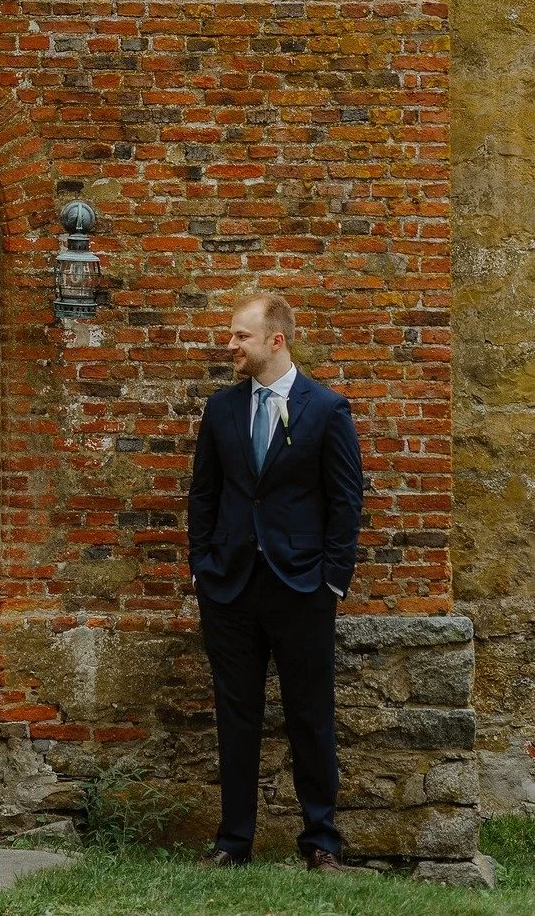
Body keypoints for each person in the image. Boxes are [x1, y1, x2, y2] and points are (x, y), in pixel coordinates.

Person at [187, 292, 364, 871]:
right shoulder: (221, 410)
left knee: (309, 715)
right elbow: (204, 496)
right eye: (232, 335)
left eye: (241, 336)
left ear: (276, 340)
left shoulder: (327, 409)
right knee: (235, 715)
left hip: (302, 588)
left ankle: (321, 841)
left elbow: (346, 502)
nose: (230, 345)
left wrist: (332, 581)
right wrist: (203, 567)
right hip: (230, 588)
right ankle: (233, 842)